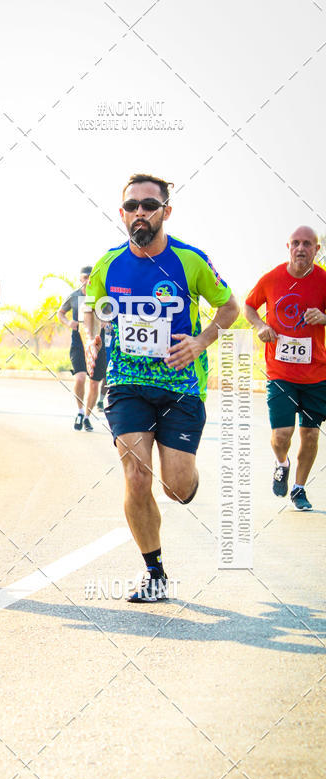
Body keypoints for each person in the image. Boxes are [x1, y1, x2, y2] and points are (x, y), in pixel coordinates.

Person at [84, 173, 239, 601]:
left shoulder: (190, 260)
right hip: (127, 383)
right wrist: (91, 336)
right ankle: (154, 572)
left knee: (176, 487)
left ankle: (186, 478)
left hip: (182, 388)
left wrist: (200, 341)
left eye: (149, 205)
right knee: (136, 476)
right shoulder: (108, 263)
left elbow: (229, 306)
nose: (139, 212)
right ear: (122, 213)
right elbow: (90, 308)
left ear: (165, 212)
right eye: (131, 205)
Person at [245, 226, 326, 510]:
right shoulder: (272, 278)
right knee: (281, 435)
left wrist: (324, 317)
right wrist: (260, 326)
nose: (301, 248)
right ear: (288, 247)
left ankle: (300, 488)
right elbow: (249, 307)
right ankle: (282, 463)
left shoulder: (324, 280)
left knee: (311, 434)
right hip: (280, 373)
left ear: (317, 250)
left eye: (307, 244)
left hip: (316, 373)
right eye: (296, 243)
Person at [57, 266, 106, 431]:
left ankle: (86, 416)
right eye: (84, 277)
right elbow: (60, 313)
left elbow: (111, 315)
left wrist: (107, 322)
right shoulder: (74, 295)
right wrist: (68, 322)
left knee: (94, 384)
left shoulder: (102, 297)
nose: (87, 280)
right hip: (78, 342)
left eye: (90, 277)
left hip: (99, 343)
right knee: (79, 379)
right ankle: (79, 411)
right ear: (80, 279)